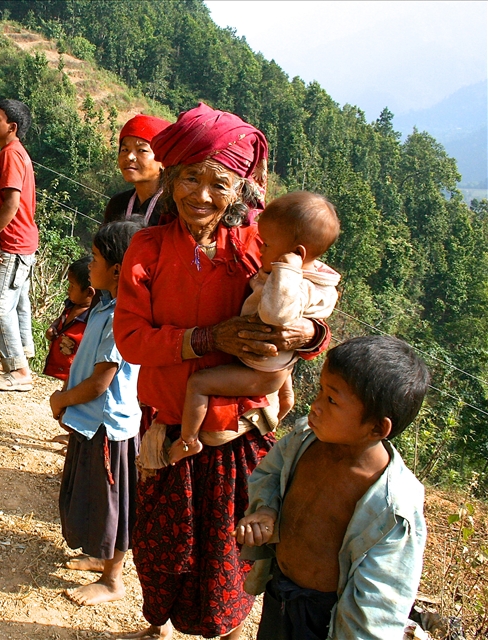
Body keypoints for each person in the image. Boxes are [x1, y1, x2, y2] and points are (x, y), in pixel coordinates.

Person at [113, 103, 331, 640]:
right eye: (191, 178)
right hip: (170, 428)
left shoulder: (260, 246)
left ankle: (231, 633)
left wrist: (309, 336)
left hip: (238, 434)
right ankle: (159, 625)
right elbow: (131, 338)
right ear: (172, 178)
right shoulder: (147, 247)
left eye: (220, 183)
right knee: (161, 551)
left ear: (240, 190)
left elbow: (309, 304)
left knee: (230, 554)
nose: (202, 196)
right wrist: (208, 339)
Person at [236, 336, 429, 640]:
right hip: (280, 591)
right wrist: (267, 510)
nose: (315, 406)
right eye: (321, 391)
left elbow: (380, 603)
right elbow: (270, 474)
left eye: (332, 400)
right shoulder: (304, 440)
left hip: (327, 620)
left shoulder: (393, 506)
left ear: (377, 428)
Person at [165, 191, 341, 466]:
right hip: (278, 366)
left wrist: (287, 271)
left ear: (297, 253)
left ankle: (188, 441)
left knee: (199, 384)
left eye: (267, 244)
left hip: (262, 370)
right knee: (285, 398)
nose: (261, 250)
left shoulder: (294, 282)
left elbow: (276, 314)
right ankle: (275, 419)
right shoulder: (319, 278)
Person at [50, 220, 142, 607]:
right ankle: (99, 557)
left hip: (107, 426)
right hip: (90, 422)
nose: (90, 265)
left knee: (110, 504)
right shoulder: (104, 305)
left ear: (118, 270)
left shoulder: (124, 315)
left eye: (96, 258)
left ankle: (113, 579)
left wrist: (62, 400)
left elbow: (100, 383)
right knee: (91, 495)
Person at [0, 99, 39, 392]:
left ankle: (18, 371)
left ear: (12, 127)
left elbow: (11, 203)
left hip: (14, 242)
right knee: (18, 303)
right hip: (24, 240)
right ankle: (22, 356)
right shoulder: (16, 153)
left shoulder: (10, 156)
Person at [103, 114, 171, 226]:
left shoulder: (174, 207)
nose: (129, 157)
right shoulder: (118, 204)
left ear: (163, 160)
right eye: (125, 149)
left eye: (141, 150)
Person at [43, 256, 95, 383]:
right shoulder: (70, 305)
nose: (68, 289)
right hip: (52, 368)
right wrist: (53, 327)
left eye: (72, 286)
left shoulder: (92, 319)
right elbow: (60, 319)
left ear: (89, 292)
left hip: (70, 377)